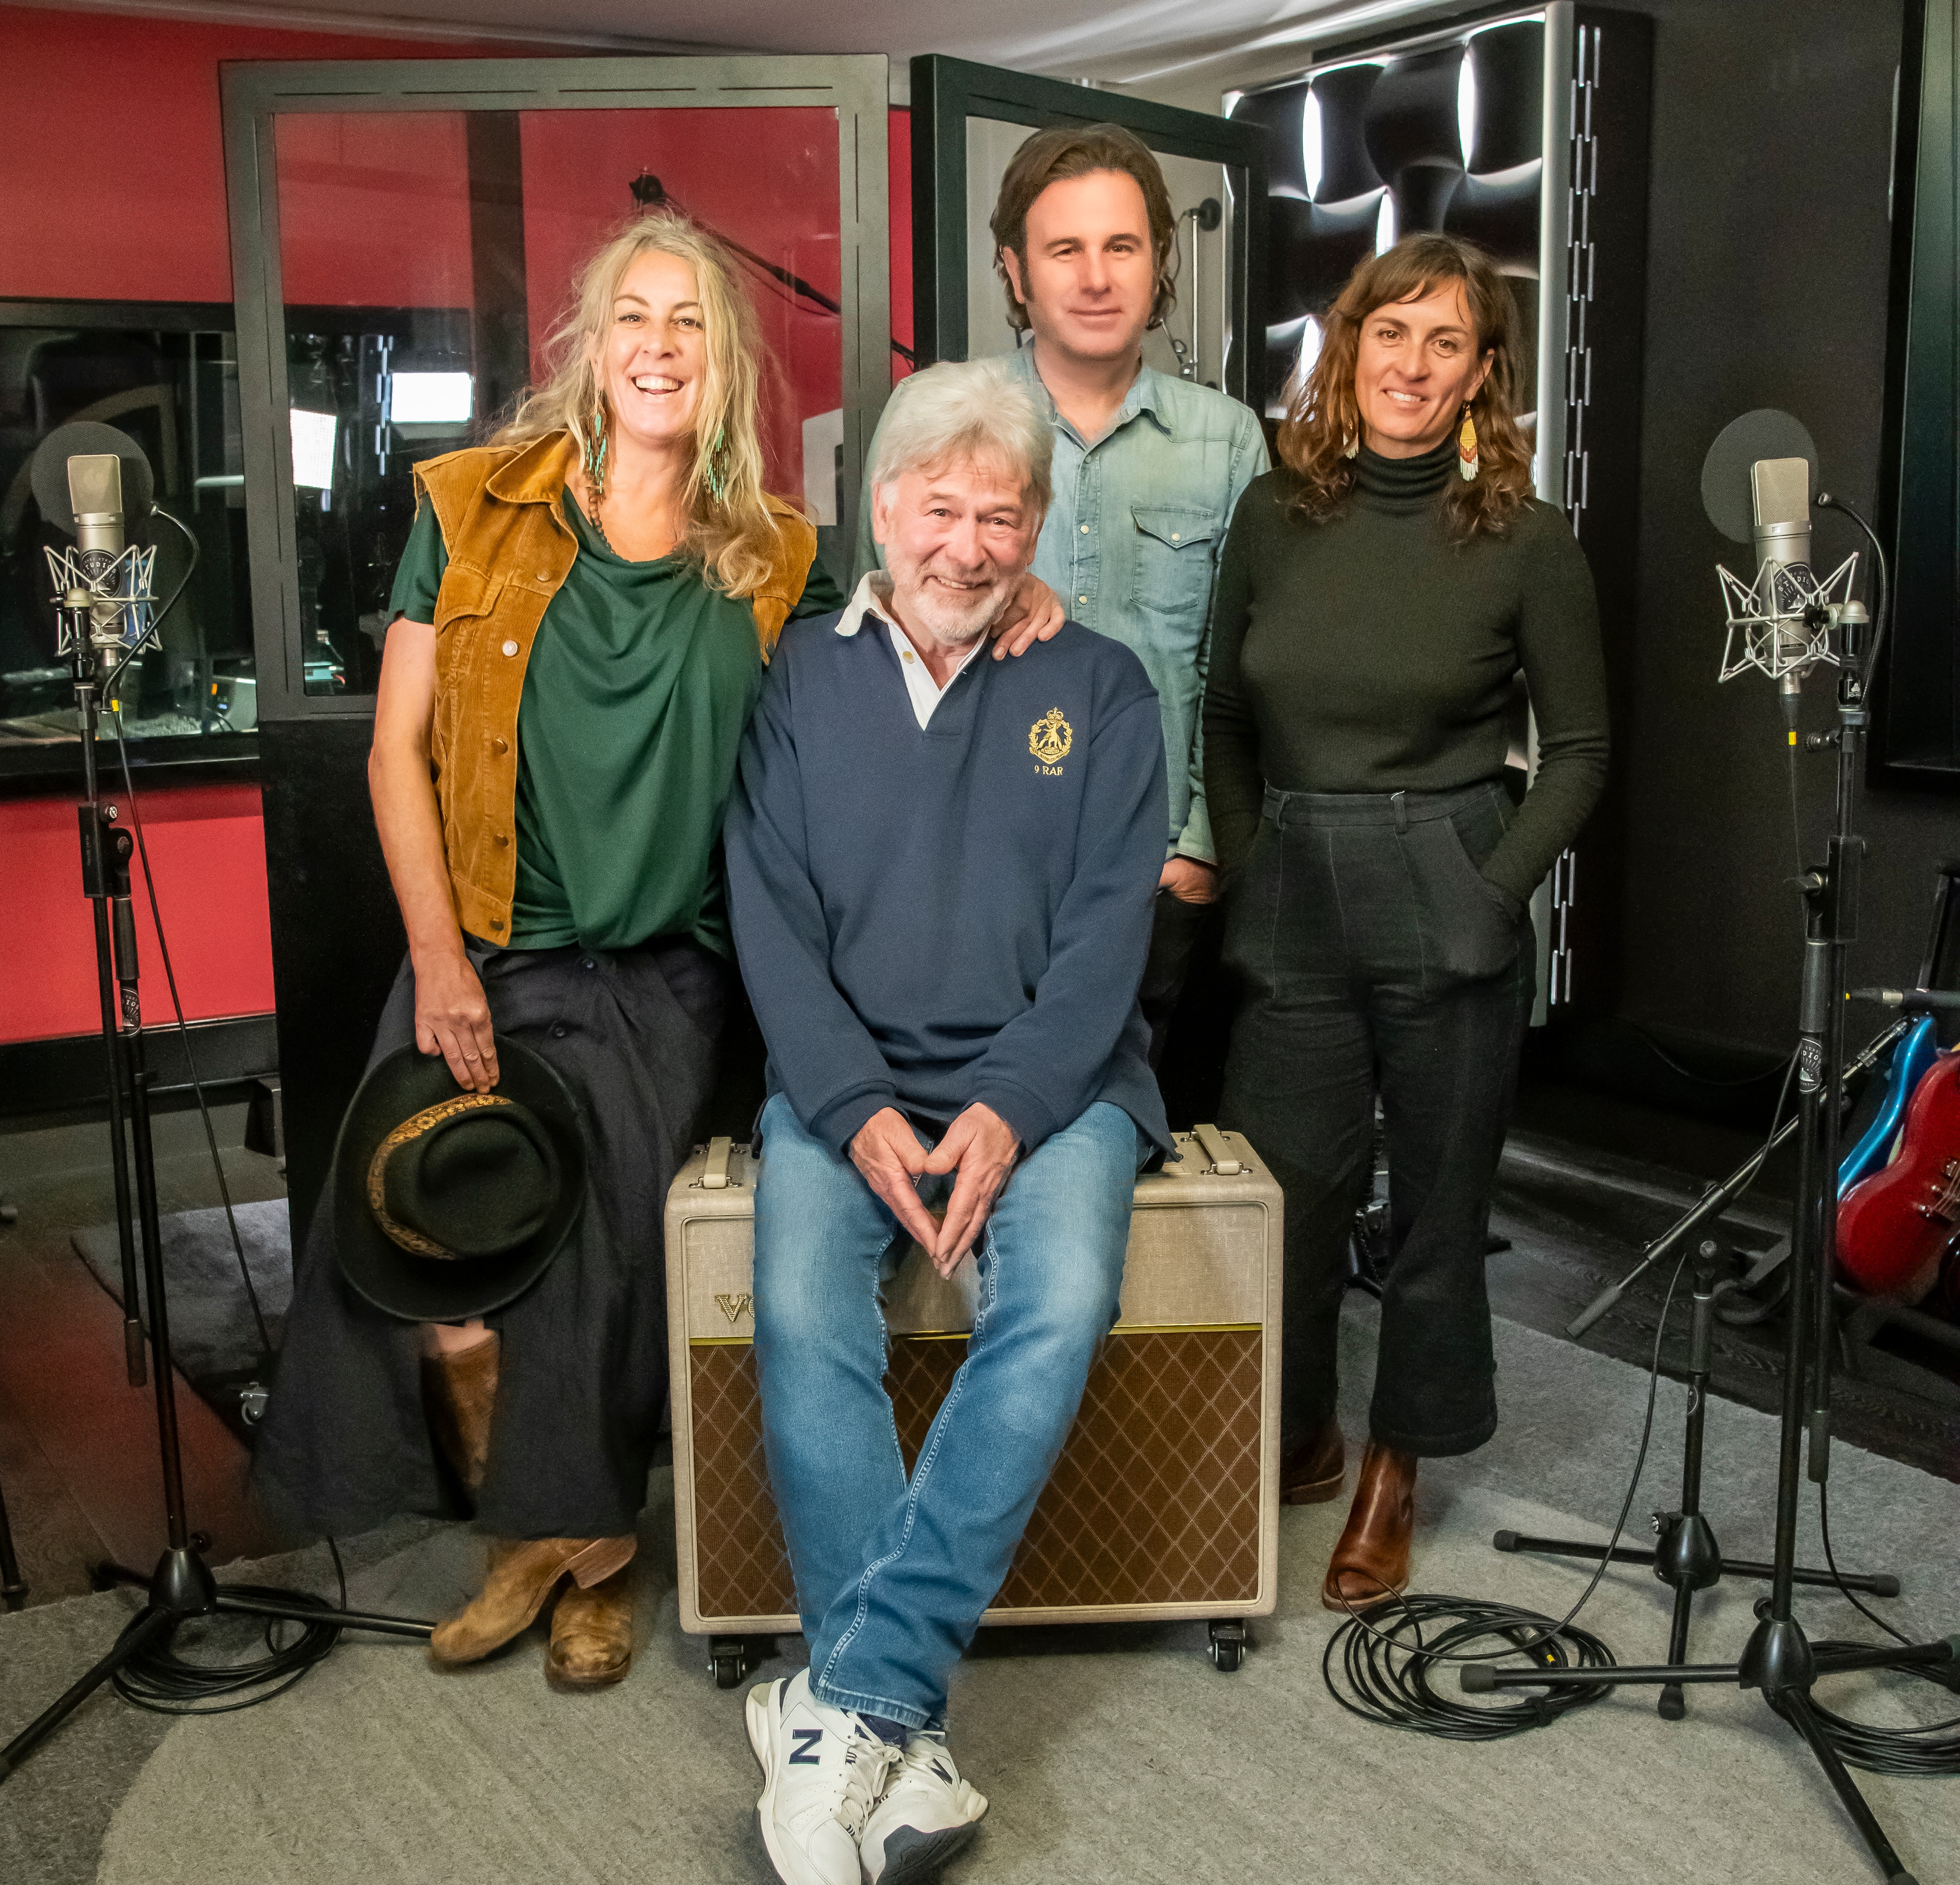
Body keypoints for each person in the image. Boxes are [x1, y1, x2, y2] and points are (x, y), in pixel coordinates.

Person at [253, 214, 1056, 1692]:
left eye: (690, 322)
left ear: (723, 359)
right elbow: (395, 749)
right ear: (591, 340)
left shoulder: (778, 558)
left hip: (666, 968)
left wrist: (1023, 595)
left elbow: (918, 615)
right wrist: (436, 956)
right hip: (486, 941)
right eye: (635, 315)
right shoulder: (471, 503)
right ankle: (540, 1530)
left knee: (609, 1256)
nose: (660, 346)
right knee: (409, 1239)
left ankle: (583, 1559)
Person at [725, 356, 1170, 1885]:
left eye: (1003, 513)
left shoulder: (1102, 685)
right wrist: (850, 1110)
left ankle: (852, 1694)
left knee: (1053, 1306)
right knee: (795, 1308)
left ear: (1039, 524)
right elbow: (767, 918)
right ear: (882, 507)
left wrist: (1008, 1104)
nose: (968, 544)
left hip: (1055, 1084)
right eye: (939, 506)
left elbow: (1113, 931)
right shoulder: (795, 677)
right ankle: (894, 1739)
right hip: (840, 1083)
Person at [1203, 232, 1610, 1612]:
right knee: (1291, 1196)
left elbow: (1580, 752)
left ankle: (1394, 1466)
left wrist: (1491, 898)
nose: (1412, 365)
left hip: (1448, 871)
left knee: (1435, 1211)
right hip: (1295, 893)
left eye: (1446, 343)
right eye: (1391, 334)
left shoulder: (1520, 540)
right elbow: (1223, 717)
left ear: (1480, 373)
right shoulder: (1273, 515)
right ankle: (1304, 1427)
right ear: (1347, 347)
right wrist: (1257, 871)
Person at [857, 123, 1268, 1061]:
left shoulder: (1228, 439)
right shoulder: (934, 412)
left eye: (1121, 246)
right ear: (1014, 269)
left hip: (1157, 876)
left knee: (1145, 1161)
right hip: (970, 876)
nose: (1096, 277)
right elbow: (869, 641)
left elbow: (1238, 671)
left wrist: (1199, 850)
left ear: (1158, 257)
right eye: (1065, 249)